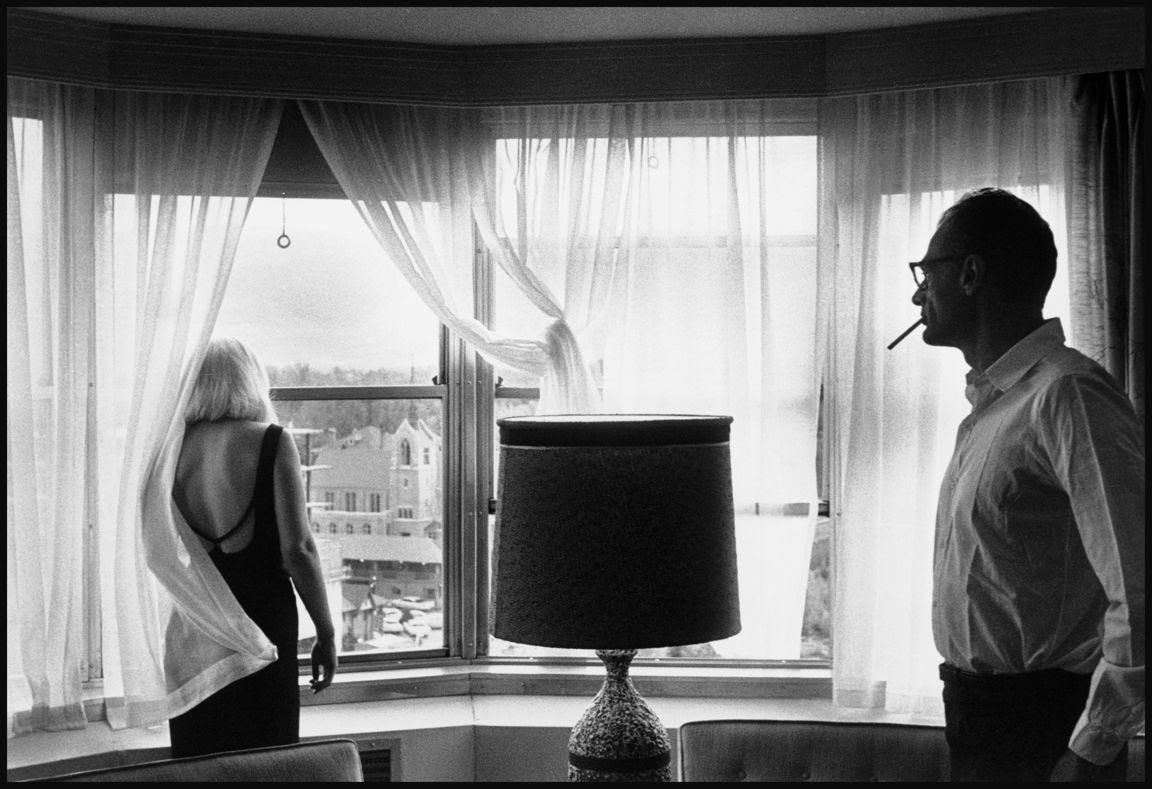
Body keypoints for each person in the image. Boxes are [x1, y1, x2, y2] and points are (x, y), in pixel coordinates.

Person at [911, 188, 1144, 782]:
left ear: (970, 274)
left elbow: (1140, 584)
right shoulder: (998, 404)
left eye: (926, 274)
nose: (917, 294)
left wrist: (1093, 746)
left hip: (1045, 725)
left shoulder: (1068, 395)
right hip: (981, 715)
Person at [167, 337, 338, 758]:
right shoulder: (271, 441)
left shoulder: (170, 449)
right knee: (267, 762)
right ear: (249, 381)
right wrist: (326, 632)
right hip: (264, 629)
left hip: (195, 631)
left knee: (201, 764)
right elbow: (298, 550)